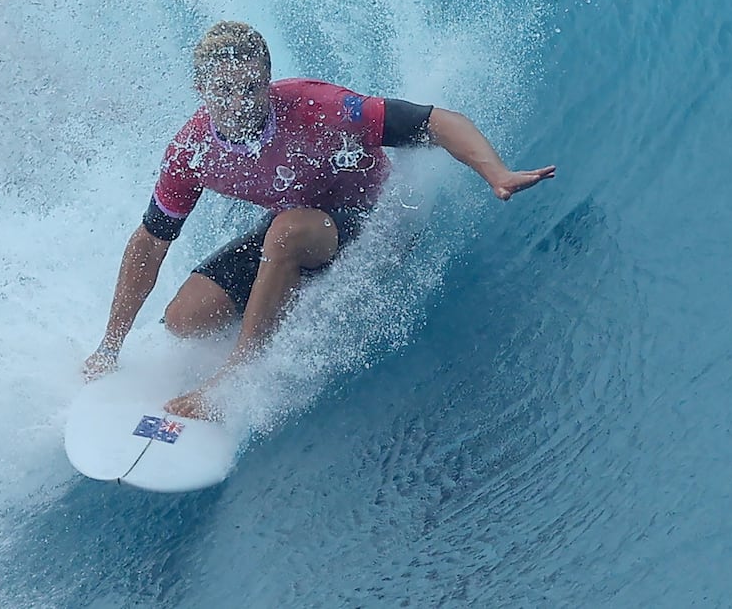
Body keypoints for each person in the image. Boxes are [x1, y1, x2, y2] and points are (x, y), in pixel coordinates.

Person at [82, 21, 555, 420]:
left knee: (286, 229)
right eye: (224, 91)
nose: (240, 101)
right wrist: (110, 347)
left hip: (374, 221)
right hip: (299, 228)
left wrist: (494, 172)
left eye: (250, 87)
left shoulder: (318, 106)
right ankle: (270, 302)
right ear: (201, 90)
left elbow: (436, 122)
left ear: (268, 79)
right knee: (186, 320)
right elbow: (150, 243)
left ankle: (235, 380)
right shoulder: (192, 153)